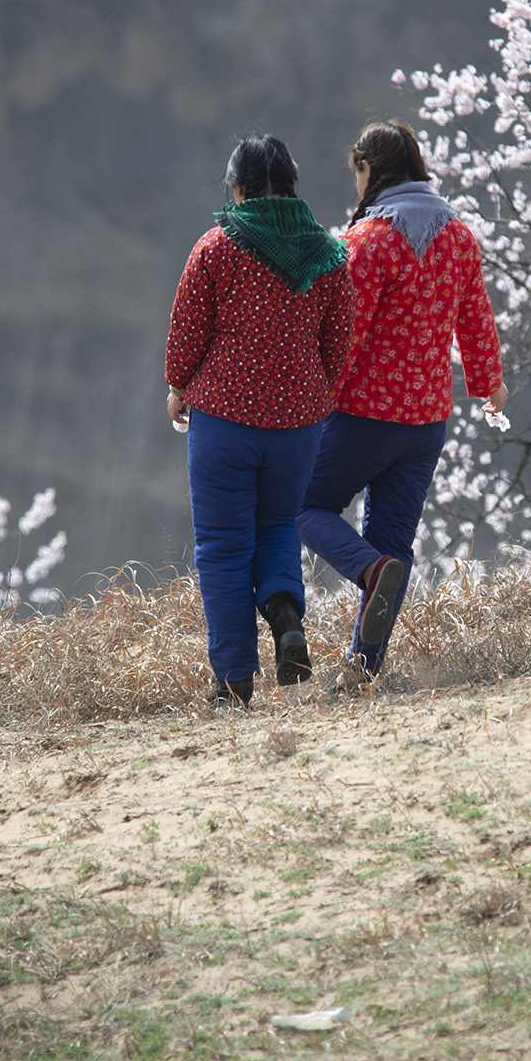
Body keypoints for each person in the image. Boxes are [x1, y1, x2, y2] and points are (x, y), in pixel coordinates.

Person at [299, 119, 505, 683]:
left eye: (357, 173)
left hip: (363, 416)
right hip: (425, 424)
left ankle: (368, 570)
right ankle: (361, 670)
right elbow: (476, 321)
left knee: (301, 504)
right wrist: (490, 384)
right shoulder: (460, 236)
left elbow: (346, 333)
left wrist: (316, 399)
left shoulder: (366, 240)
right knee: (394, 538)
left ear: (369, 170)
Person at [164, 136, 354, 706]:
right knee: (277, 528)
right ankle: (286, 617)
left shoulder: (216, 247)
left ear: (239, 190)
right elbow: (337, 344)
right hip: (298, 427)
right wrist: (306, 394)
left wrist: (178, 386)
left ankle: (233, 682)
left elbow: (185, 338)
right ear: (292, 186)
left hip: (224, 421)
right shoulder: (326, 253)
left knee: (223, 545)